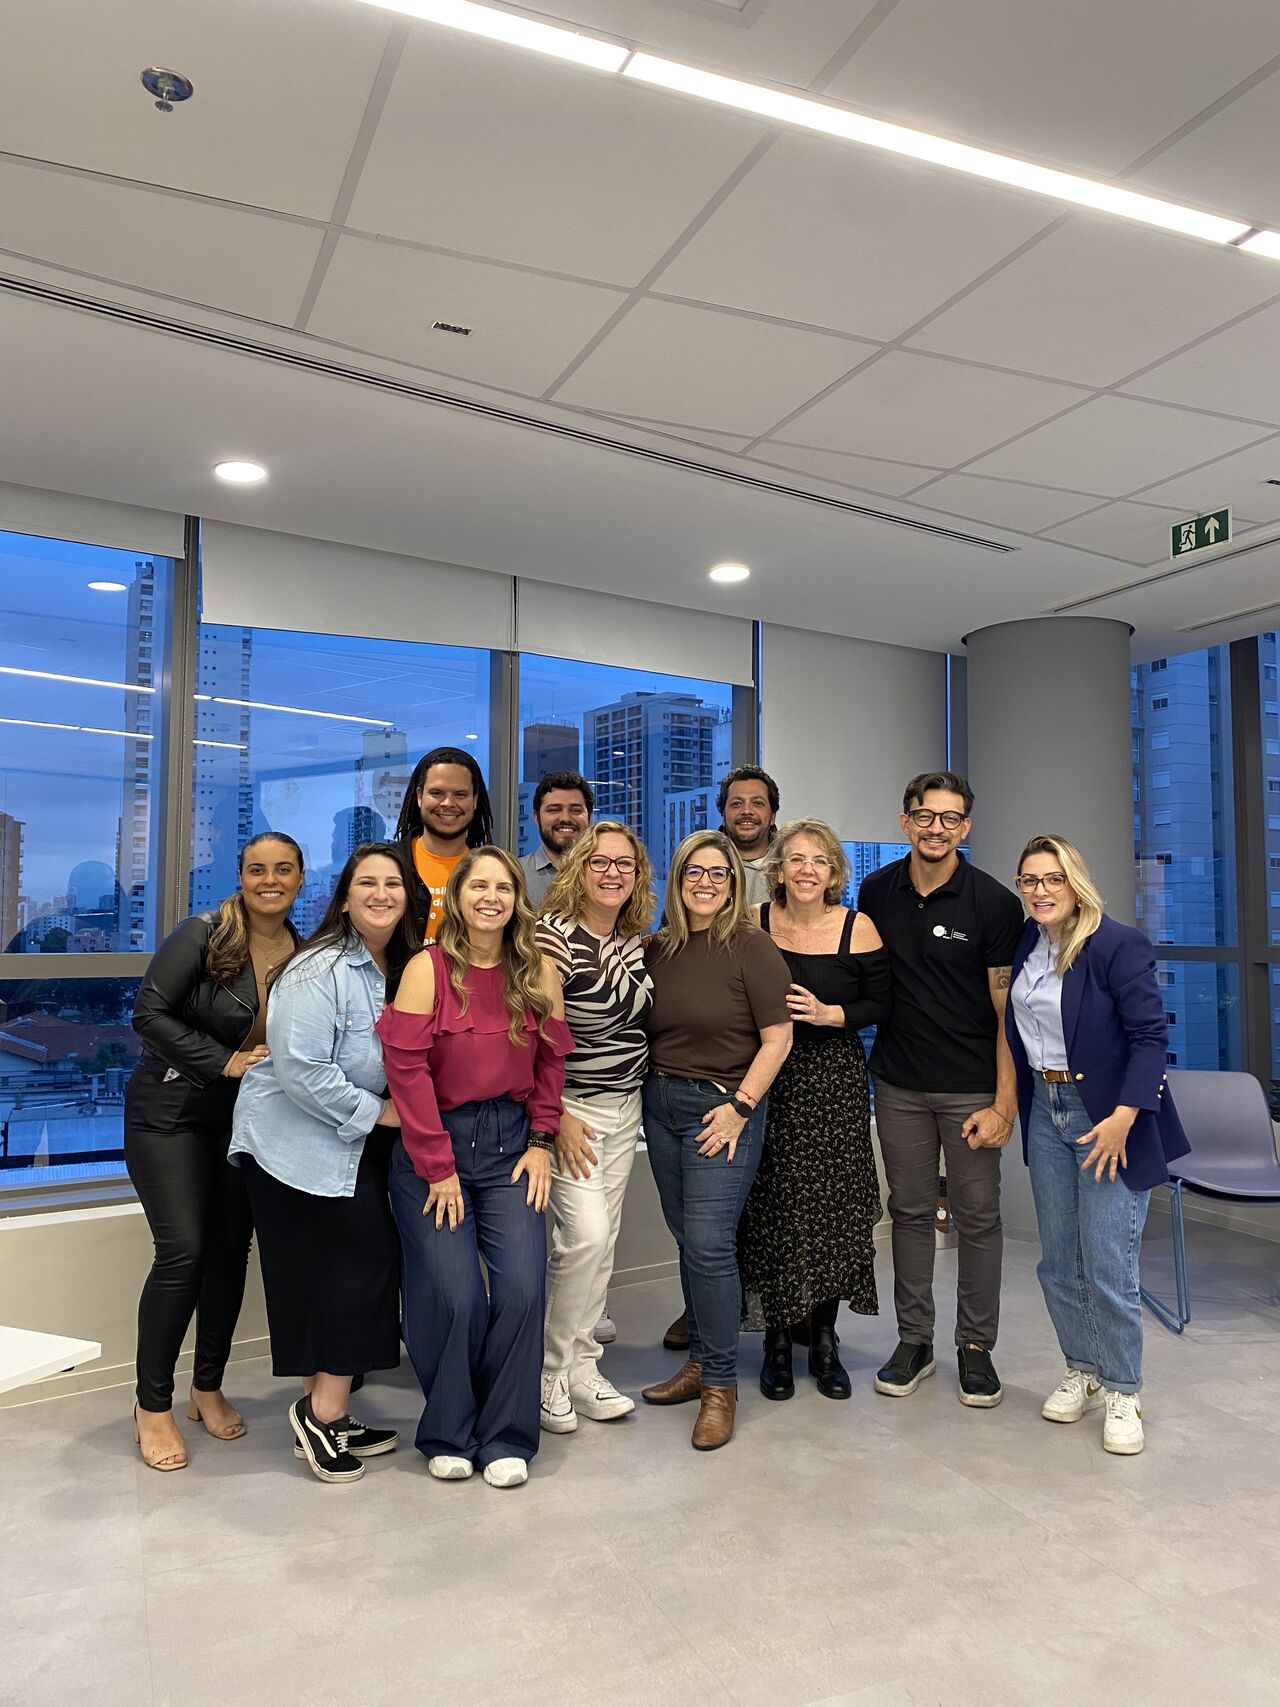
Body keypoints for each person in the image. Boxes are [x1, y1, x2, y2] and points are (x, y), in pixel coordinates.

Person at [378, 847, 572, 1489]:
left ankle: (507, 1434)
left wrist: (542, 1141)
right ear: (458, 897)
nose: (491, 898)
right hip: (435, 1145)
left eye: (504, 888)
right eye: (479, 886)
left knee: (522, 1288)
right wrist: (437, 1167)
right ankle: (450, 1432)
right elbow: (406, 1073)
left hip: (513, 1144)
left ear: (518, 900)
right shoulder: (427, 969)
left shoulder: (538, 970)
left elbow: (550, 1065)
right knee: (455, 1294)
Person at [229, 844, 418, 1484]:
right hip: (290, 1142)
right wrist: (382, 1112)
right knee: (363, 1266)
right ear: (344, 896)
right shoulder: (320, 967)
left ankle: (325, 1411)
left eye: (393, 883)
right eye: (367, 883)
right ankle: (322, 1411)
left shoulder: (399, 965)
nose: (381, 893)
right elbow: (302, 1070)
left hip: (342, 1141)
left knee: (332, 1275)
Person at [125, 833, 304, 1471]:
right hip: (169, 1112)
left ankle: (207, 1387)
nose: (269, 880)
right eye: (257, 869)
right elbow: (149, 1014)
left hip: (243, 1120)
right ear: (240, 875)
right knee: (185, 1251)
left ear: (300, 878)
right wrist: (224, 1060)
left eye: (283, 870)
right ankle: (152, 1405)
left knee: (230, 1252)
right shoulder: (203, 933)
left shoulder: (304, 949)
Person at [1007, 835, 1188, 1456]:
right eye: (1029, 880)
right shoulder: (1028, 943)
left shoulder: (1116, 944)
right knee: (1059, 1259)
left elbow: (1150, 1038)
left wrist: (1124, 1118)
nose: (1040, 891)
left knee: (1109, 1262)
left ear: (1075, 881)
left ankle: (1123, 1389)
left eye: (1052, 878)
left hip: (1108, 1117)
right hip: (1045, 1108)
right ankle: (1082, 1367)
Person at [858, 772, 1024, 1408]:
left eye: (950, 818)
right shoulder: (876, 891)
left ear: (965, 828)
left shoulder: (994, 904)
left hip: (970, 1089)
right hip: (898, 1082)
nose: (937, 828)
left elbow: (1007, 1014)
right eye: (925, 816)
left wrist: (1003, 1103)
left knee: (977, 1217)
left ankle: (976, 1347)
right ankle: (915, 1341)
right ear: (905, 822)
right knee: (908, 1211)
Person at [640, 831, 792, 1450]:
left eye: (718, 874)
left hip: (722, 1108)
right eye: (693, 872)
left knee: (709, 1243)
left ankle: (721, 1387)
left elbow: (779, 1038)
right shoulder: (658, 948)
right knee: (688, 1239)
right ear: (678, 881)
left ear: (733, 884)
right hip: (660, 1106)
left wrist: (740, 1108)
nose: (705, 883)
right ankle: (700, 1362)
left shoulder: (753, 947)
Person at [739, 820, 892, 1401]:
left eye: (819, 860)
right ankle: (776, 1342)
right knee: (772, 1207)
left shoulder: (858, 927)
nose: (807, 869)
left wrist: (833, 1015)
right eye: (796, 859)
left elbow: (883, 1001)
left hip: (834, 1081)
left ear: (834, 873)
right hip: (767, 1077)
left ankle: (824, 1342)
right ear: (778, 868)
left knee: (833, 1209)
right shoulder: (751, 922)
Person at [536, 821, 656, 1436]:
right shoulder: (551, 937)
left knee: (602, 1244)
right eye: (601, 862)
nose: (613, 873)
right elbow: (543, 1036)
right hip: (573, 1110)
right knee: (581, 1239)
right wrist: (556, 1115)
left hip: (625, 1107)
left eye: (625, 864)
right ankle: (549, 1373)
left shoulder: (635, 940)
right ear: (579, 867)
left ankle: (583, 1368)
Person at [394, 745, 495, 942]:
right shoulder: (388, 864)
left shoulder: (492, 870)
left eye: (460, 794)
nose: (448, 803)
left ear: (474, 800)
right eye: (437, 793)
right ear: (419, 796)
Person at [519, 771, 594, 907]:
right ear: (536, 817)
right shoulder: (515, 875)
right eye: (554, 810)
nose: (565, 818)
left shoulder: (608, 875)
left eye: (576, 810)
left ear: (589, 816)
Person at [718, 765, 779, 907]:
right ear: (723, 815)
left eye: (757, 803)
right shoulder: (703, 866)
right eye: (736, 804)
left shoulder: (791, 868)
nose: (746, 811)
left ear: (772, 817)